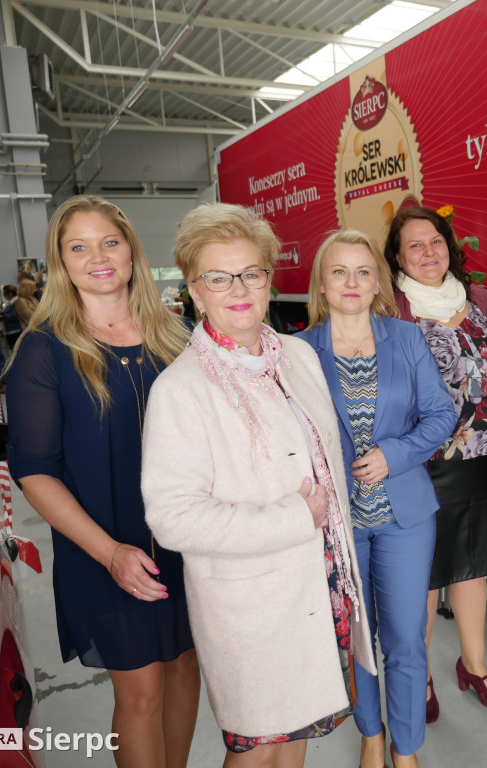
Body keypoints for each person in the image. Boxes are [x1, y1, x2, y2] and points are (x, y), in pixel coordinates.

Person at [142, 205, 376, 768]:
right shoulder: (181, 389)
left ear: (269, 279)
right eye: (218, 278)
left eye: (251, 273)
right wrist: (295, 517)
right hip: (250, 603)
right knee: (258, 746)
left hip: (318, 581)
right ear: (195, 292)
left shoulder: (297, 356)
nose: (239, 289)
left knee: (296, 733)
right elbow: (173, 517)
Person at [5, 196, 200, 768]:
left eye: (109, 242)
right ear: (61, 263)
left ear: (131, 251)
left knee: (185, 668)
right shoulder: (44, 350)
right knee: (141, 690)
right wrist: (111, 553)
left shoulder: (178, 336)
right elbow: (35, 471)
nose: (98, 257)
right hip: (103, 548)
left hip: (186, 541)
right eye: (79, 247)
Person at [297, 229, 456, 768]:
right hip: (337, 520)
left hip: (404, 515)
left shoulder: (406, 339)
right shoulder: (299, 351)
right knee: (357, 638)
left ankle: (405, 748)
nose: (352, 282)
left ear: (377, 284)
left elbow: (441, 413)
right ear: (322, 283)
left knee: (406, 639)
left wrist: (396, 453)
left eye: (363, 272)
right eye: (339, 271)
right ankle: (370, 733)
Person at [382, 207, 487, 721]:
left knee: (472, 567)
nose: (428, 252)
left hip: (480, 457)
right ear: (397, 257)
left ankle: (474, 665)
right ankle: (420, 675)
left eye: (435, 241)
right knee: (425, 575)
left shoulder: (478, 300)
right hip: (421, 465)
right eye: (414, 245)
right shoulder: (389, 311)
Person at [0, 284, 22, 350]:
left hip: (15, 330)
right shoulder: (11, 303)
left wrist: (3, 316)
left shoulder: (16, 302)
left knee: (16, 349)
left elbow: (16, 315)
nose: (4, 295)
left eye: (4, 293)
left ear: (10, 294)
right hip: (11, 330)